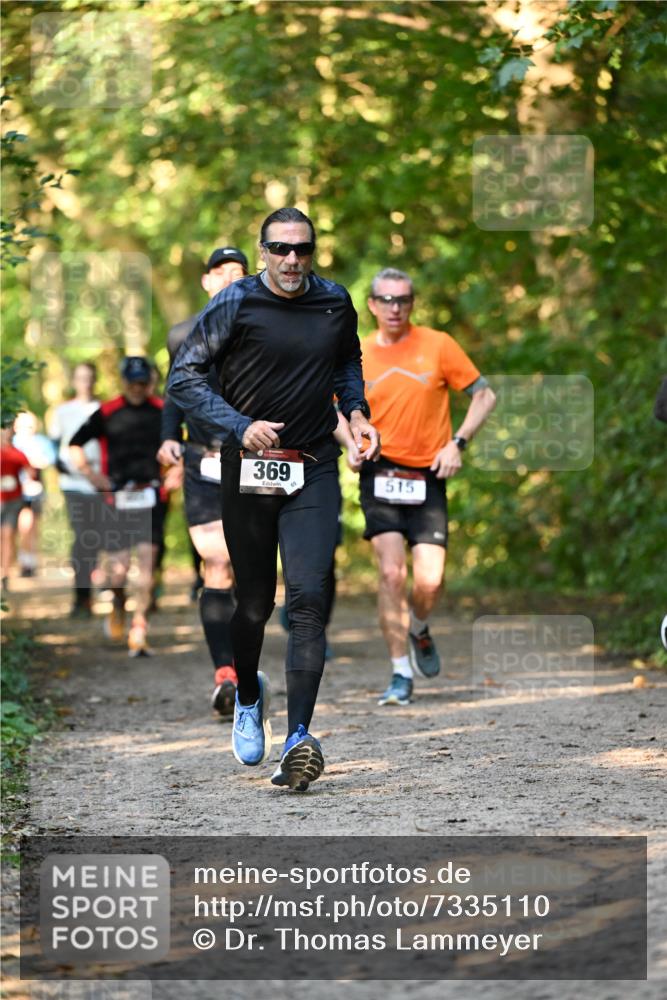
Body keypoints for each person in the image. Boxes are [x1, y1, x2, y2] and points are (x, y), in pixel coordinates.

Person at [168, 207, 379, 791]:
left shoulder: (334, 301)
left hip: (313, 466)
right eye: (280, 249)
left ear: (313, 252)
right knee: (255, 602)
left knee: (308, 597)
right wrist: (239, 425)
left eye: (302, 249)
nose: (291, 259)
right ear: (262, 251)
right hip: (248, 468)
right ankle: (248, 695)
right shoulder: (235, 302)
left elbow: (347, 361)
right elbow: (183, 378)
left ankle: (298, 738)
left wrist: (357, 412)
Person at [357, 268, 496, 706]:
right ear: (372, 305)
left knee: (430, 582)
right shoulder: (357, 352)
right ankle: (400, 673)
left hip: (429, 474)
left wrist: (458, 443)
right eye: (386, 300)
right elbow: (335, 409)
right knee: (391, 574)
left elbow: (485, 395)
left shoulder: (438, 344)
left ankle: (418, 627)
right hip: (380, 470)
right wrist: (351, 443)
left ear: (412, 304)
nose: (395, 308)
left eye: (403, 300)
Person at [158, 246, 249, 716]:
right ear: (207, 281)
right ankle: (226, 674)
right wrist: (168, 437)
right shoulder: (183, 333)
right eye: (222, 272)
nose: (231, 278)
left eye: (239, 272)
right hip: (203, 459)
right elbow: (175, 389)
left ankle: (248, 662)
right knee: (217, 562)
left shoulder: (262, 327)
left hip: (255, 458)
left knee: (249, 570)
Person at [69, 356, 167, 657]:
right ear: (124, 382)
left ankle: (139, 627)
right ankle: (119, 603)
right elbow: (75, 443)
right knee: (119, 570)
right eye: (133, 382)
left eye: (143, 382)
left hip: (152, 494)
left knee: (148, 563)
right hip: (116, 496)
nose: (138, 388)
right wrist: (91, 474)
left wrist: (175, 472)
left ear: (150, 382)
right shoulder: (107, 411)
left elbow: (182, 444)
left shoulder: (163, 410)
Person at [49, 362, 103, 617]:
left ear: (95, 380)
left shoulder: (104, 410)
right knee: (83, 535)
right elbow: (53, 447)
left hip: (101, 482)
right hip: (73, 483)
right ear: (74, 381)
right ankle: (81, 596)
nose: (86, 382)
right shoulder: (62, 411)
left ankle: (92, 590)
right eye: (81, 378)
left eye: (89, 377)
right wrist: (64, 466)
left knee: (97, 537)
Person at [12, 411, 56, 578]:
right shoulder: (12, 442)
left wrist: (31, 461)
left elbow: (48, 460)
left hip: (34, 490)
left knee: (31, 525)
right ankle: (22, 560)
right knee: (19, 526)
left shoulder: (40, 442)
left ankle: (29, 561)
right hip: (14, 490)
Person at [1, 425, 36, 592]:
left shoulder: (18, 453)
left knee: (7, 535)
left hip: (13, 500)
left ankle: (5, 573)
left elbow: (31, 473)